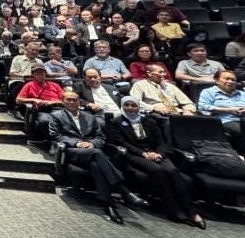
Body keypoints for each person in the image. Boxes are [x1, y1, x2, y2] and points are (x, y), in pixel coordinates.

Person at [49, 91, 149, 225]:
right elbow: (55, 135)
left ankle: (108, 206)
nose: (72, 102)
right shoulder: (55, 116)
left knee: (96, 165)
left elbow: (100, 137)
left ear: (79, 102)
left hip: (91, 151)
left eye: (74, 100)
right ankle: (124, 191)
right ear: (63, 101)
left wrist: (92, 143)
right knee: (97, 153)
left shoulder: (89, 117)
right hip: (72, 151)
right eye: (68, 100)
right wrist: (77, 143)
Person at [105, 98, 205, 228]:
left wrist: (159, 153)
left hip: (156, 153)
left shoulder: (148, 121)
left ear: (138, 107)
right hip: (135, 154)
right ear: (122, 106)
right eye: (127, 105)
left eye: (133, 105)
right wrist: (144, 154)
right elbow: (122, 143)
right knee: (157, 170)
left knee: (172, 171)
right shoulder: (116, 122)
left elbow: (160, 141)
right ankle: (175, 211)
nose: (130, 108)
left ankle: (192, 212)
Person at [198, 70, 245, 154]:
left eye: (233, 80)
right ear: (217, 80)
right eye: (227, 79)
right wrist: (229, 110)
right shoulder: (208, 92)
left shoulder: (242, 94)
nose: (230, 81)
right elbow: (203, 107)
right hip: (225, 120)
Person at [16, 65, 64, 140]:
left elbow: (65, 100)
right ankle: (53, 140)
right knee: (45, 120)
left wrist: (52, 102)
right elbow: (18, 100)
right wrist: (33, 100)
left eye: (42, 73)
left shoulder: (55, 85)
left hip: (58, 108)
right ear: (33, 75)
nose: (40, 75)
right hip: (43, 110)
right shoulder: (29, 85)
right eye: (37, 73)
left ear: (45, 74)